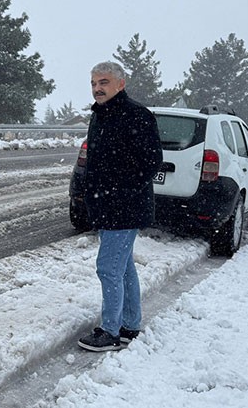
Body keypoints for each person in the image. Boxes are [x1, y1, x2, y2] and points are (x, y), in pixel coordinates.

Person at [77, 61, 162, 352]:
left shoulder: (137, 115)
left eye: (103, 82)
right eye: (93, 83)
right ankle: (130, 325)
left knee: (107, 268)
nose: (97, 89)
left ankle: (110, 332)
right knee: (123, 267)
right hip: (105, 206)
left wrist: (119, 191)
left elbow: (150, 163)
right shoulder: (100, 116)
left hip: (124, 207)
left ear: (120, 84)